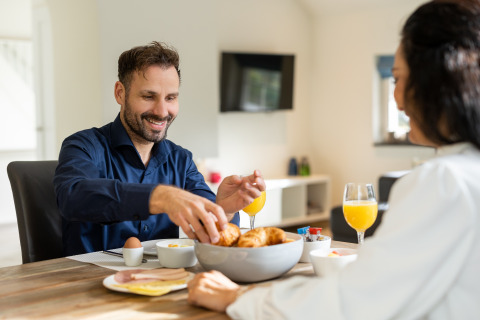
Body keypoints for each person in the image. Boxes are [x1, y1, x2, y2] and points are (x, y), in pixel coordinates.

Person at [187, 0, 480, 318]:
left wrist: (237, 299)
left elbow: (355, 302)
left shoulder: (444, 182)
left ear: (434, 82)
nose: (396, 98)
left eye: (397, 79)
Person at [54, 41, 265, 256]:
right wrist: (159, 197)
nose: (162, 111)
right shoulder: (83, 146)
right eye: (148, 96)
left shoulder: (181, 159)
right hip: (88, 284)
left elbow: (210, 231)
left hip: (165, 282)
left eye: (170, 98)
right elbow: (73, 197)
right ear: (120, 93)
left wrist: (225, 211)